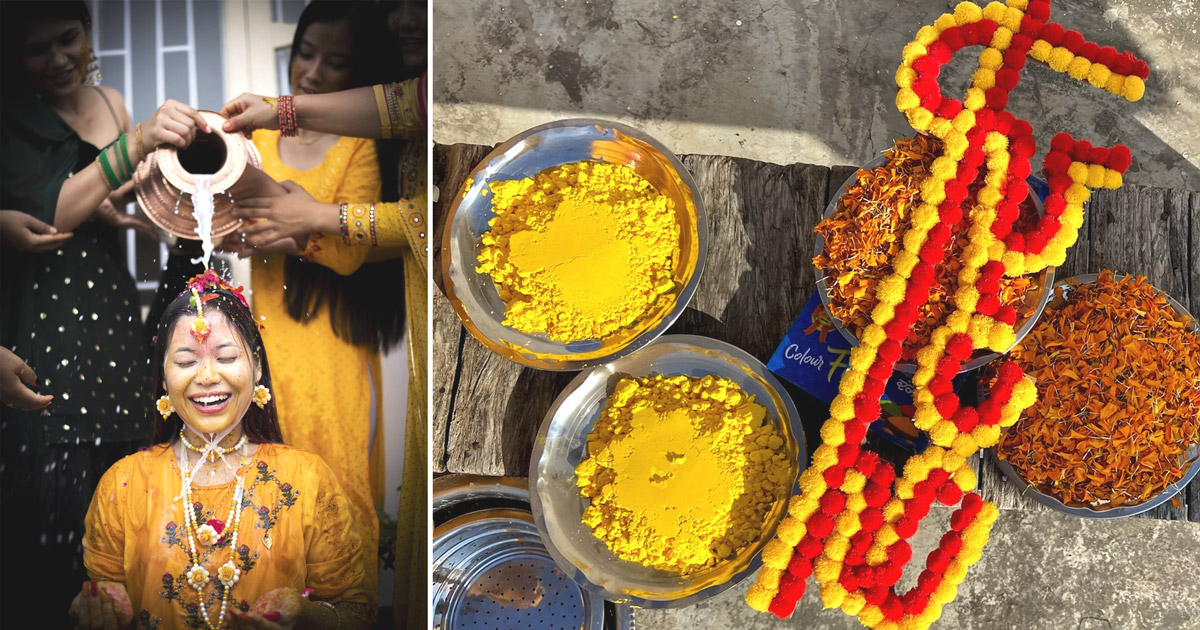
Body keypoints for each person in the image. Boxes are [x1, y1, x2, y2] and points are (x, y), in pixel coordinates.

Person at [219, 2, 427, 622]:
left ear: (366, 73)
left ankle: (347, 613)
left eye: (335, 63)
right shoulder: (258, 137)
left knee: (332, 475)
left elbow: (346, 258)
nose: (311, 72)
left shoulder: (360, 145)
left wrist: (289, 230)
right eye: (305, 53)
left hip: (330, 338)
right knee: (264, 472)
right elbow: (235, 214)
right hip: (263, 335)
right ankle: (266, 609)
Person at [0, 2, 208, 621]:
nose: (59, 59)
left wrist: (139, 213)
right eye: (37, 50)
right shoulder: (10, 116)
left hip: (113, 308)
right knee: (51, 489)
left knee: (124, 486)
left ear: (88, 30)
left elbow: (127, 202)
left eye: (69, 38)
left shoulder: (111, 101)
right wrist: (137, 139)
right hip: (45, 311)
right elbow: (57, 209)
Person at [73, 272, 370, 630]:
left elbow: (357, 612)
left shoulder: (307, 478)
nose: (208, 376)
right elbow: (100, 598)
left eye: (227, 357)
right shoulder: (122, 484)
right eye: (186, 362)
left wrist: (307, 618)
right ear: (164, 379)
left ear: (257, 367)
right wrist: (103, 609)